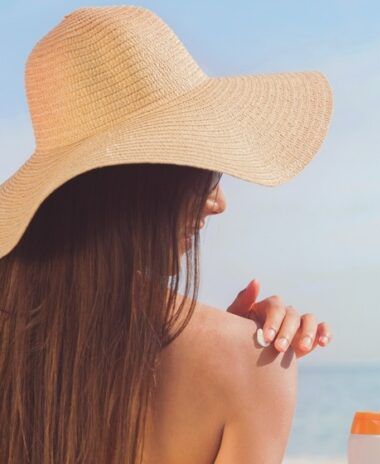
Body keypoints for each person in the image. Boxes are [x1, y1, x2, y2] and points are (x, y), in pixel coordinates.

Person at [0, 5, 334, 464]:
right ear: (146, 182)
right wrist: (240, 357)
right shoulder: (251, 367)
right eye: (201, 172)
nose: (218, 203)